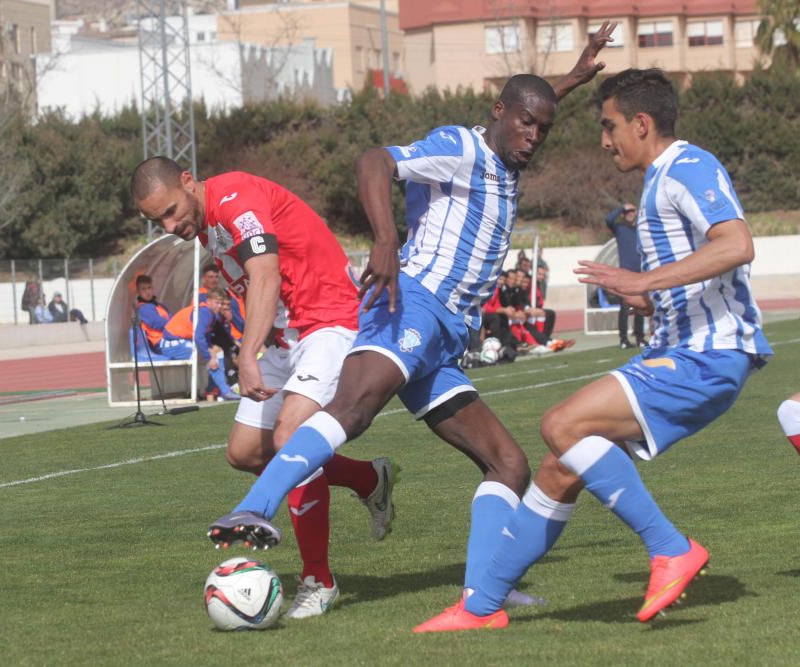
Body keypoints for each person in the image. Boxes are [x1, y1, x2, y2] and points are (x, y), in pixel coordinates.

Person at [205, 23, 619, 632]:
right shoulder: (462, 146)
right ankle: (255, 507)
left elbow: (531, 105)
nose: (533, 136)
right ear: (498, 112)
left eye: (543, 128)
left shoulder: (508, 153)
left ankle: (483, 598)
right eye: (525, 123)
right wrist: (386, 237)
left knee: (509, 465)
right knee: (352, 410)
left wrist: (575, 78)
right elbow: (374, 160)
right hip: (412, 304)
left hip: (444, 337)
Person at [454, 68, 774, 631]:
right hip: (683, 346)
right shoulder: (656, 182)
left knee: (562, 425)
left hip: (708, 354)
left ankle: (669, 547)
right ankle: (480, 607)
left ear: (642, 123)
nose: (604, 141)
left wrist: (644, 282)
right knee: (559, 471)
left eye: (610, 127)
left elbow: (737, 244)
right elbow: (697, 279)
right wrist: (647, 295)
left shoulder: (688, 167)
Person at [133, 157, 396, 618]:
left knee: (291, 435)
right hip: (283, 335)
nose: (170, 225)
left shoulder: (236, 198)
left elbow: (267, 273)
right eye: (159, 221)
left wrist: (246, 352)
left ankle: (318, 578)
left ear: (190, 182)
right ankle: (367, 478)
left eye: (172, 211)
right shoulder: (207, 224)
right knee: (246, 453)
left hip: (326, 320)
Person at [160, 288, 240, 400]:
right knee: (208, 357)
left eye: (221, 303)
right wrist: (209, 357)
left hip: (182, 342)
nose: (219, 306)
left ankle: (221, 390)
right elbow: (198, 336)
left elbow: (205, 335)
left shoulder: (211, 314)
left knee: (216, 351)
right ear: (208, 301)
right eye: (216, 302)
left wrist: (211, 353)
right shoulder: (205, 312)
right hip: (171, 344)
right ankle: (222, 391)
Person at [606, 201, 648, 348]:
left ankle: (640, 337)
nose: (630, 214)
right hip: (625, 273)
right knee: (625, 306)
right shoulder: (619, 228)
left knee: (640, 306)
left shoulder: (640, 229)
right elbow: (609, 219)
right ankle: (623, 339)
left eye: (632, 211)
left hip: (640, 272)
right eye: (627, 212)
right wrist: (621, 208)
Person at [134, 274, 172, 358]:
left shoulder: (158, 305)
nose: (147, 292)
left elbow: (171, 316)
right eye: (143, 289)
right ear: (138, 291)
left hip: (168, 338)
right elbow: (157, 323)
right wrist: (176, 324)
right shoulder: (143, 308)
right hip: (159, 343)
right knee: (191, 349)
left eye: (149, 288)